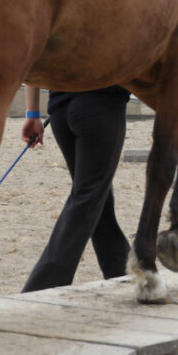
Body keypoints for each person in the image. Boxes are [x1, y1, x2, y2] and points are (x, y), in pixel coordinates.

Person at [19, 84, 132, 292]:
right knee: (88, 196)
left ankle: (124, 271)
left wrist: (33, 113)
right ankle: (41, 288)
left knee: (97, 195)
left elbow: (32, 60)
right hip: (101, 106)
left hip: (60, 112)